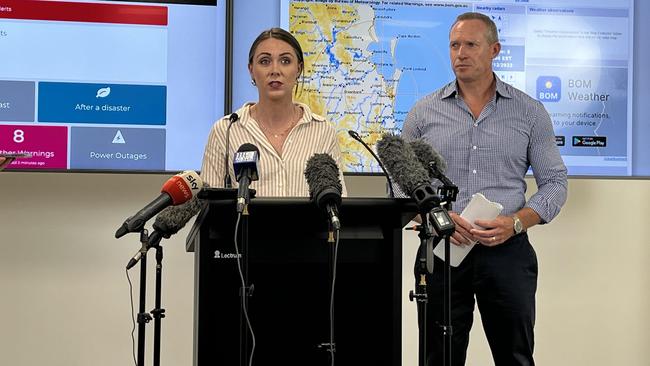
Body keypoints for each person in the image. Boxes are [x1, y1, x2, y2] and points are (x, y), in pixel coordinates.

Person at [401, 12, 568, 366]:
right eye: (454, 45)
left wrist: (517, 222)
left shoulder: (529, 112)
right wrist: (435, 217)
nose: (460, 53)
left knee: (515, 356)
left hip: (507, 252)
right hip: (442, 250)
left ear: (494, 50)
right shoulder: (423, 112)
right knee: (438, 357)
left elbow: (555, 182)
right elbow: (399, 185)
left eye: (471, 45)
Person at [200, 27, 347, 197]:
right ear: (251, 70)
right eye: (264, 61)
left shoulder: (323, 132)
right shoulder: (226, 131)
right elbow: (209, 207)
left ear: (298, 69)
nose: (275, 70)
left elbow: (337, 204)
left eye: (285, 61)